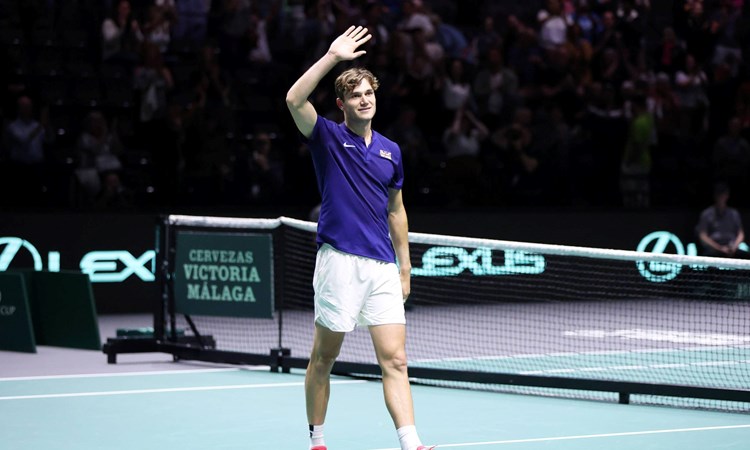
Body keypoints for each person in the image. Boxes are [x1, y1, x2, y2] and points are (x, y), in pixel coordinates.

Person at [285, 26, 434, 450]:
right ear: (342, 104)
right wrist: (333, 55)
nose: (364, 99)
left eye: (369, 93)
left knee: (397, 360)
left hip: (382, 267)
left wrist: (406, 268)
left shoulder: (391, 151)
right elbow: (294, 100)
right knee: (323, 358)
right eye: (355, 95)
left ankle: (411, 443)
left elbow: (396, 210)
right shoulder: (328, 138)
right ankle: (317, 439)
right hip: (339, 261)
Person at [696, 182, 748, 258]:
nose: (721, 197)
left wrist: (734, 247)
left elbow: (741, 234)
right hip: (713, 250)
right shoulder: (706, 214)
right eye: (719, 194)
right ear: (715, 196)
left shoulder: (734, 213)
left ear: (727, 195)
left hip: (732, 248)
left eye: (723, 194)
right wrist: (719, 248)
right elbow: (703, 236)